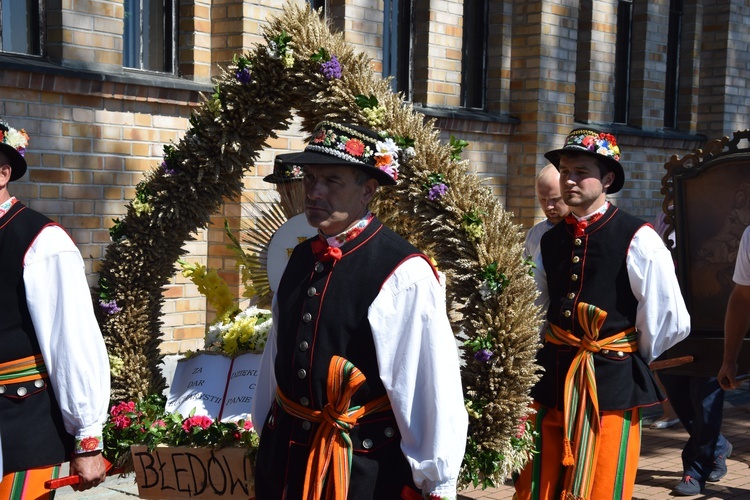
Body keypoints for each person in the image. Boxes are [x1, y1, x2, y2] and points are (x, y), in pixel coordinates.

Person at [251, 121, 468, 499]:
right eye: (310, 178)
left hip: (358, 470)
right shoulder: (300, 258)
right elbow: (277, 355)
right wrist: (264, 429)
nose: (314, 191)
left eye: (332, 180)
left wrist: (437, 478)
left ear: (368, 190)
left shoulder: (404, 271)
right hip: (285, 459)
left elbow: (425, 380)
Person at [514, 128, 691, 500]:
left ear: (607, 179)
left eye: (581, 171)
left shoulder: (639, 238)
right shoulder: (546, 238)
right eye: (564, 171)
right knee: (539, 481)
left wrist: (622, 352)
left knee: (601, 481)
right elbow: (536, 305)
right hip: (553, 376)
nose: (570, 180)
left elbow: (669, 317)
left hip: (610, 381)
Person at [0, 120, 110, 498]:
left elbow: (71, 339)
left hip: (18, 427)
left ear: (3, 173)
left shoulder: (42, 241)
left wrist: (87, 438)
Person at [652, 210, 732, 495]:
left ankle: (696, 469)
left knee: (706, 400)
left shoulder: (717, 217)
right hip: (672, 325)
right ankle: (717, 445)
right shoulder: (660, 222)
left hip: (711, 321)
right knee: (681, 399)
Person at [523, 164, 570, 260]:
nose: (549, 206)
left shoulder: (583, 232)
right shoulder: (534, 234)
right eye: (543, 200)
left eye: (555, 199)